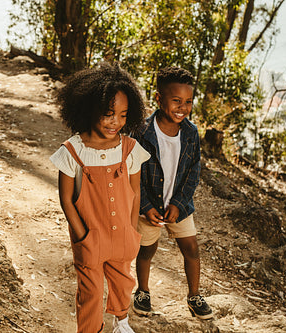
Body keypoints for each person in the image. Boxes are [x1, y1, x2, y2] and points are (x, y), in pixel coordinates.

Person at [50, 62, 150, 333]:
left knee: (123, 283)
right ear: (88, 109)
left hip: (123, 237)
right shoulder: (72, 151)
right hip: (90, 239)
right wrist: (83, 236)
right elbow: (67, 200)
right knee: (90, 293)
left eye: (122, 115)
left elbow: (135, 191)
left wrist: (131, 228)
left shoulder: (129, 149)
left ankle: (121, 322)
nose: (115, 122)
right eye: (108, 114)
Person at [131, 67, 213, 319]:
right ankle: (142, 292)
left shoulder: (190, 133)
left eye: (188, 101)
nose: (183, 107)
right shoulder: (142, 131)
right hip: (150, 206)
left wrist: (179, 202)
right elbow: (133, 172)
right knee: (146, 250)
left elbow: (193, 171)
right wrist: (145, 206)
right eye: (176, 100)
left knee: (191, 248)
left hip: (179, 205)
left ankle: (194, 295)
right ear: (158, 99)